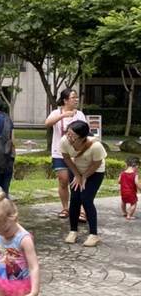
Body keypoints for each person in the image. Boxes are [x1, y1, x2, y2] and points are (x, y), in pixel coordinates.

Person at [60, 119, 107, 247]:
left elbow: (97, 163)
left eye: (72, 135)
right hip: (76, 170)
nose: (68, 137)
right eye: (68, 133)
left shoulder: (95, 146)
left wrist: (85, 176)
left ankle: (93, 235)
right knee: (75, 198)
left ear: (82, 138)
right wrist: (77, 175)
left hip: (95, 172)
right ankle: (73, 231)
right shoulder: (65, 141)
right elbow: (66, 158)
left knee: (86, 199)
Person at [45, 89, 87, 218]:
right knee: (63, 180)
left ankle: (81, 210)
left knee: (77, 181)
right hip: (59, 153)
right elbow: (47, 123)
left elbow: (85, 131)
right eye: (73, 97)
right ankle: (65, 208)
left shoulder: (79, 114)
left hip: (76, 153)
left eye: (76, 97)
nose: (76, 100)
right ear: (65, 100)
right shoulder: (56, 112)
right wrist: (63, 115)